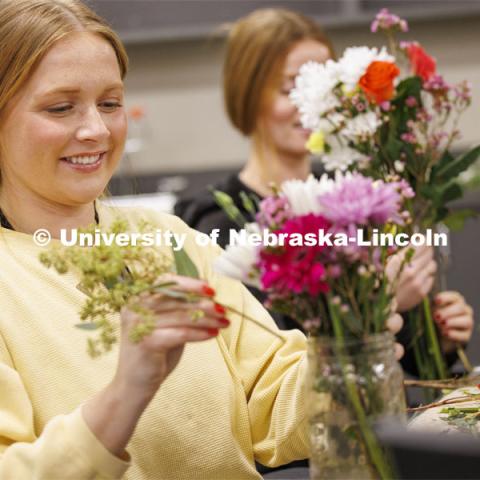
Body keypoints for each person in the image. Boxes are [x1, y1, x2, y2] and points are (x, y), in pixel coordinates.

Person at [0, 1, 405, 479]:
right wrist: (125, 394)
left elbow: (273, 404)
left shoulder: (171, 242)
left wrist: (350, 340)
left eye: (110, 103)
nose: (96, 130)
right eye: (60, 107)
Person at [174, 8, 474, 363]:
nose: (311, 106)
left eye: (324, 91)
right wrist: (383, 298)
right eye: (291, 89)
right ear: (248, 94)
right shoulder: (218, 224)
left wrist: (438, 336)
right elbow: (264, 362)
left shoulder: (354, 206)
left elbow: (402, 355)